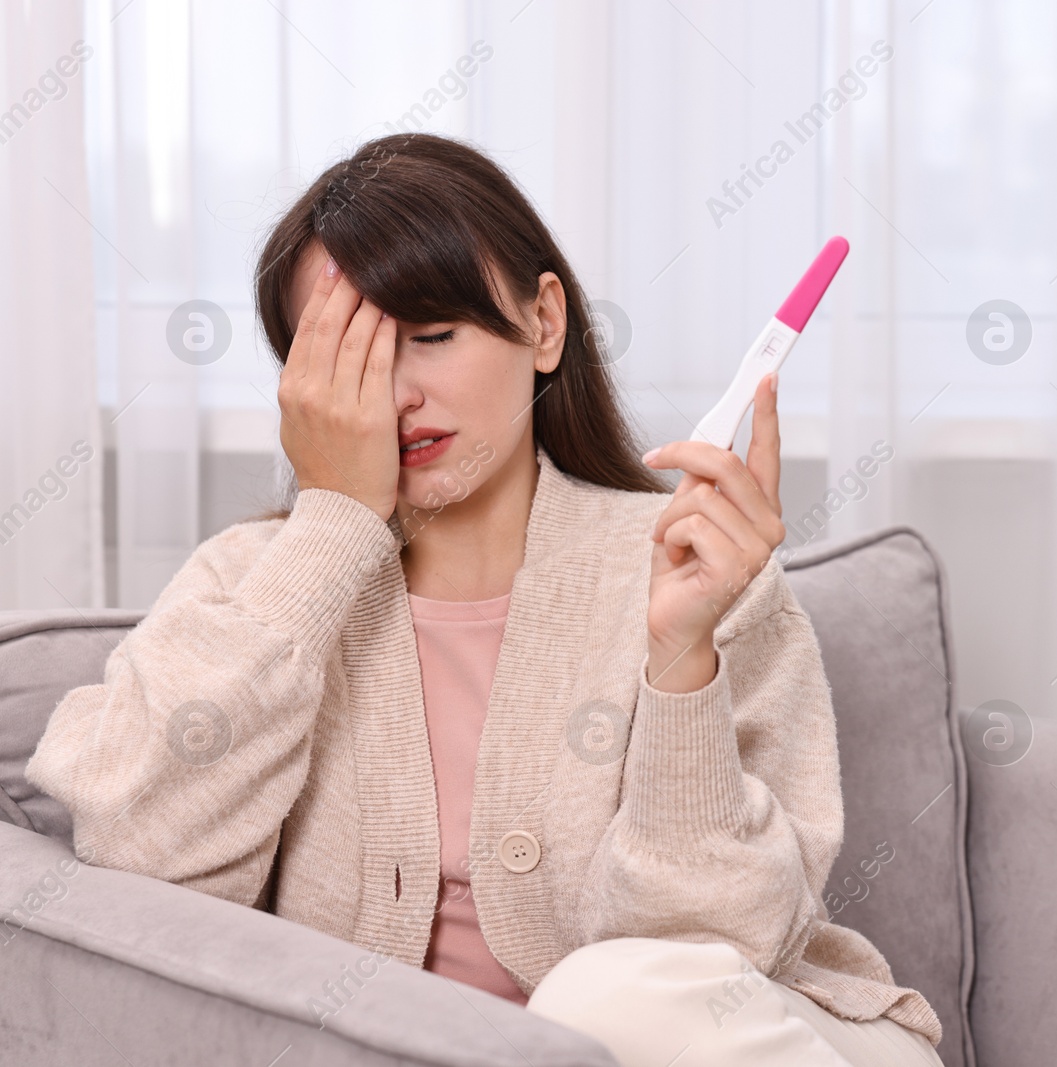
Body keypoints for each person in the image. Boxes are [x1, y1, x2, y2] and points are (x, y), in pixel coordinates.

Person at [24, 132, 941, 1067]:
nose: (398, 395)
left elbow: (718, 950)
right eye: (348, 358)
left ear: (545, 324)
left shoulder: (695, 571)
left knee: (603, 994)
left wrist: (679, 664)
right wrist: (336, 520)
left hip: (767, 1042)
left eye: (430, 337)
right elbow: (140, 862)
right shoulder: (253, 584)